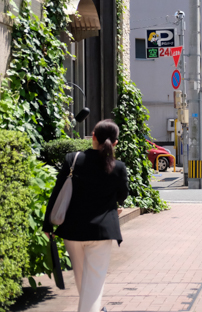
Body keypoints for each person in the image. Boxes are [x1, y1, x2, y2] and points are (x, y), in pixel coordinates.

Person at [43, 120, 129, 312]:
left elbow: (57, 192)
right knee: (94, 283)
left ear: (93, 137)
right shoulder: (118, 167)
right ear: (115, 143)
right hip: (101, 232)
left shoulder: (73, 159)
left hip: (73, 231)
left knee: (83, 281)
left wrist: (48, 225)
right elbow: (123, 195)